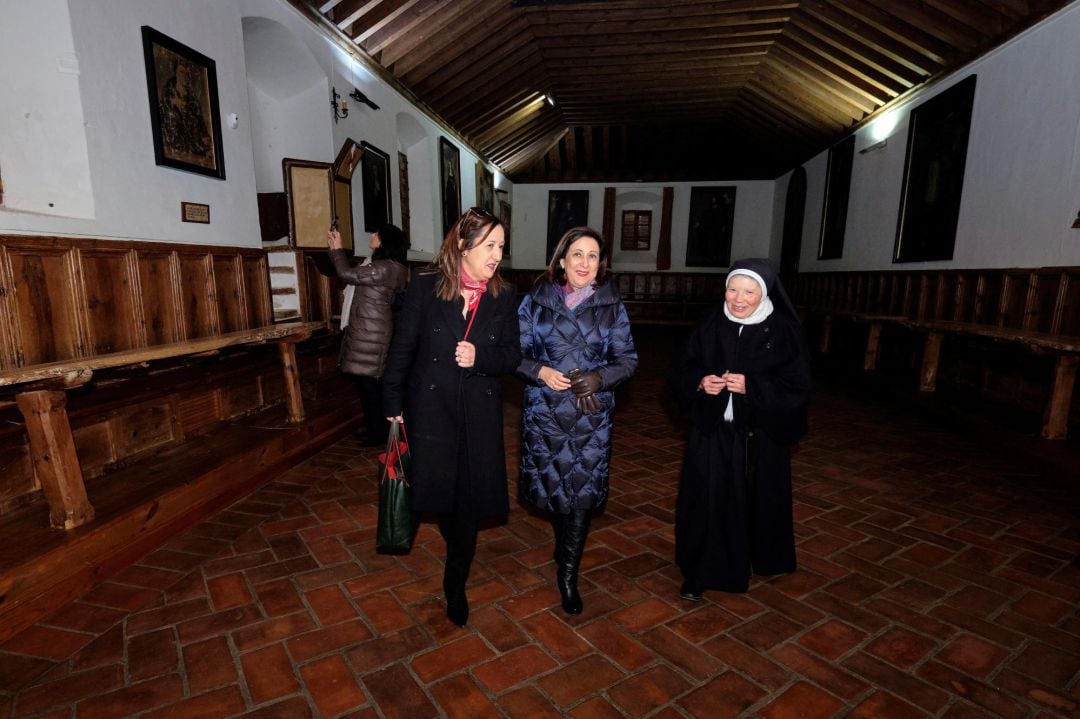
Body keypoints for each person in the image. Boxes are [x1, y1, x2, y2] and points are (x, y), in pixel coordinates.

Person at [382, 207, 520, 627]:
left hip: (477, 418)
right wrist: (392, 409)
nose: (497, 254)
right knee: (440, 497)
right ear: (463, 243)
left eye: (501, 246)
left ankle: (454, 584)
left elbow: (513, 356)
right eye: (489, 245)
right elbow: (401, 350)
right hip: (431, 414)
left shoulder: (503, 296)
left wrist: (481, 358)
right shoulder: (426, 287)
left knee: (467, 507)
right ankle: (452, 534)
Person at [671, 258, 811, 598]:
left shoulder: (783, 330)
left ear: (762, 294)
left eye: (748, 292)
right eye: (732, 289)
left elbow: (799, 385)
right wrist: (700, 382)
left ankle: (762, 557)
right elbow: (680, 367)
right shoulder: (710, 322)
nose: (738, 298)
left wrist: (753, 387)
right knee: (709, 498)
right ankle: (705, 569)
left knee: (757, 500)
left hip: (761, 435)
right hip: (714, 431)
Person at [517, 227, 637, 615]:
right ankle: (563, 539)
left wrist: (601, 378)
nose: (584, 263)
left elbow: (628, 360)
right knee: (555, 490)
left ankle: (568, 576)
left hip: (590, 416)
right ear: (562, 260)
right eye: (577, 255)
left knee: (582, 495)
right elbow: (512, 353)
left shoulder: (612, 305)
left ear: (600, 264)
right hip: (546, 413)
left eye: (593, 256)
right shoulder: (534, 301)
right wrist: (539, 371)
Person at [328, 224, 409, 446]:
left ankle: (378, 435)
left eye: (376, 233)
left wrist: (337, 249)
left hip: (370, 333)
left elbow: (346, 274)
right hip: (372, 330)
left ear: (385, 241)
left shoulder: (383, 268)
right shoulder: (393, 267)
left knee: (370, 387)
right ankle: (377, 431)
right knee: (370, 385)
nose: (372, 235)